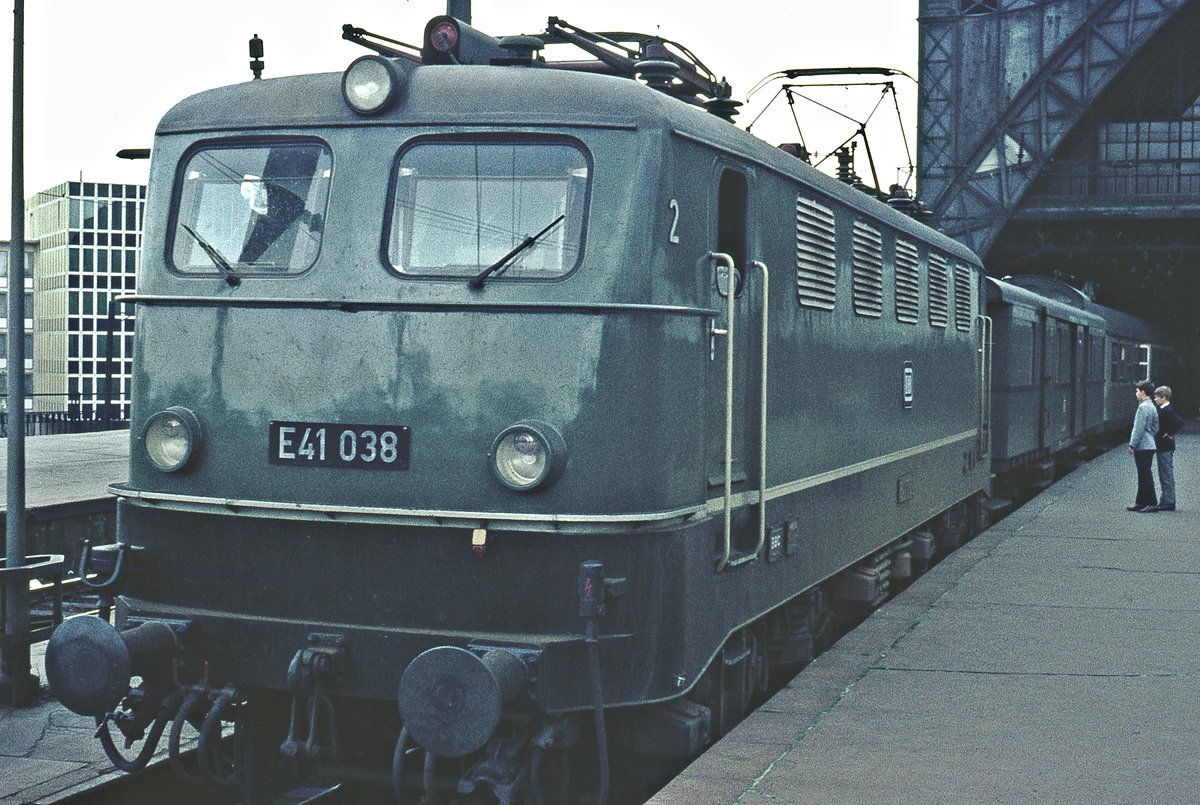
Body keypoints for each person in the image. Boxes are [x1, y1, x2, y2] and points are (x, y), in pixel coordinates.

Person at [1127, 380, 1160, 512]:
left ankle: (1152, 503)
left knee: (1145, 474)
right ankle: (1140, 502)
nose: (1136, 393)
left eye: (1137, 391)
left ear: (1143, 392)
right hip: (1150, 444)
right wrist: (1150, 434)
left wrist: (1132, 444)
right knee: (1143, 473)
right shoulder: (1152, 406)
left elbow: (1138, 428)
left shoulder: (1142, 407)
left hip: (1142, 446)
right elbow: (1156, 427)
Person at [1153, 385, 1185, 512]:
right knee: (1163, 474)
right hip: (1163, 446)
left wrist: (1170, 433)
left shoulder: (1167, 410)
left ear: (1163, 397)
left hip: (1165, 446)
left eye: (1156, 397)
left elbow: (1180, 422)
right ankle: (1165, 499)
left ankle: (1170, 501)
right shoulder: (1165, 409)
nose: (1155, 399)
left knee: (1166, 474)